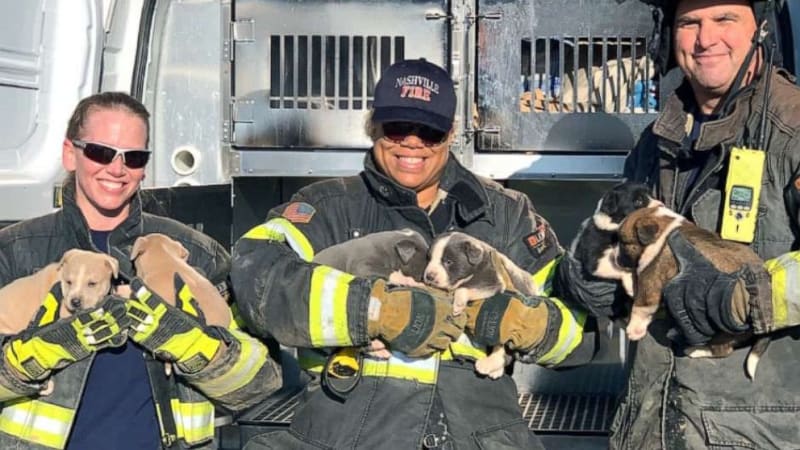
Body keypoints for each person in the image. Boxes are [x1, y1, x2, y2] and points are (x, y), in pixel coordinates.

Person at [231, 58, 595, 449]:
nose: (412, 142)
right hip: (348, 434)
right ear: (374, 127)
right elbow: (256, 274)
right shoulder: (328, 206)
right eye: (397, 127)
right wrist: (371, 310)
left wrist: (525, 322)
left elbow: (582, 334)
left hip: (482, 436)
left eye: (430, 131)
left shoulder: (507, 214)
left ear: (451, 132)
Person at [557, 0, 800, 448]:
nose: (706, 39)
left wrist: (746, 298)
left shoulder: (793, 130)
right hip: (649, 427)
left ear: (760, 30)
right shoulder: (657, 142)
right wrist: (593, 270)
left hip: (757, 433)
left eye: (725, 19)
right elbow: (628, 274)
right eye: (690, 23)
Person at [0, 92, 281, 449]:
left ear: (145, 166)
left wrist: (195, 346)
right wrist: (30, 357)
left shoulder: (193, 253)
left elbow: (262, 382)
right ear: (70, 153)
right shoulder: (13, 250)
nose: (117, 169)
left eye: (133, 157)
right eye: (101, 152)